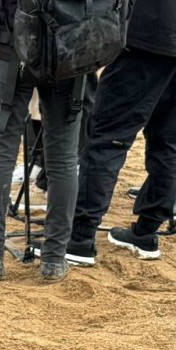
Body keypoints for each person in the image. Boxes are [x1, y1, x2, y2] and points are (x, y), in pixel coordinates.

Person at [0, 0, 84, 283]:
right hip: (69, 45)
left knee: (0, 155)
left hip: (11, 45)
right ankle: (53, 259)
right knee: (64, 158)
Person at [66, 0, 176, 265]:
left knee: (107, 139)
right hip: (154, 36)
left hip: (148, 39)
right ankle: (146, 232)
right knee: (168, 143)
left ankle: (80, 239)